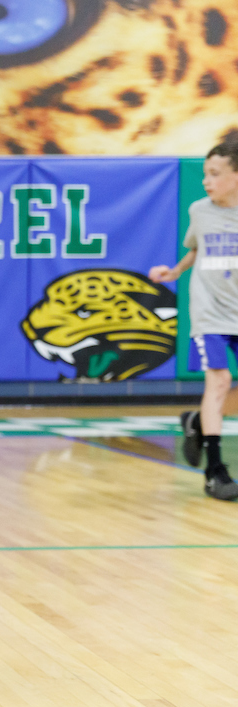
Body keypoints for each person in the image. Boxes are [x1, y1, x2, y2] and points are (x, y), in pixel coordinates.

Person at [150, 140, 238, 500]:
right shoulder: (199, 210)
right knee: (219, 381)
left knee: (225, 389)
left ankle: (196, 421)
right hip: (209, 313)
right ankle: (215, 471)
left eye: (215, 174)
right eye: (205, 174)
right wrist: (174, 272)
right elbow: (196, 247)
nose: (206, 181)